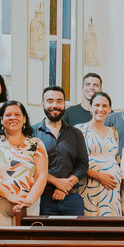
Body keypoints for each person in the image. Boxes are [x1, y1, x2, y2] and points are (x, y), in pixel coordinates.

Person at [0, 101, 48, 226]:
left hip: (28, 205)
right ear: (1, 120)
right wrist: (10, 196)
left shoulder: (36, 143)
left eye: (17, 114)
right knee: (0, 244)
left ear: (24, 119)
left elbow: (41, 176)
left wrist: (27, 202)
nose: (13, 118)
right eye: (8, 115)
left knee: (27, 244)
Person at [35, 87, 88, 217]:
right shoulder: (31, 133)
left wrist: (65, 186)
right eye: (50, 101)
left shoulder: (76, 133)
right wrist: (56, 182)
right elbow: (30, 166)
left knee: (77, 237)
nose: (55, 105)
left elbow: (83, 165)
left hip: (72, 198)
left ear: (64, 104)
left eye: (59, 101)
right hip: (41, 199)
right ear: (42, 104)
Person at [77, 91, 123, 217]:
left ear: (110, 109)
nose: (100, 109)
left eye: (104, 106)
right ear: (90, 107)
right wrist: (99, 176)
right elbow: (76, 162)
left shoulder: (113, 132)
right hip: (91, 184)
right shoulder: (80, 130)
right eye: (97, 105)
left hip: (112, 188)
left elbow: (116, 159)